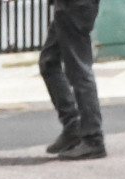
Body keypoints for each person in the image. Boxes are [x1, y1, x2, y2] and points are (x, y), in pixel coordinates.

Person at [39, 0, 104, 159]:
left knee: (79, 70)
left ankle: (93, 138)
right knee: (48, 62)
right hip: (70, 6)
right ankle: (72, 127)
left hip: (74, 6)